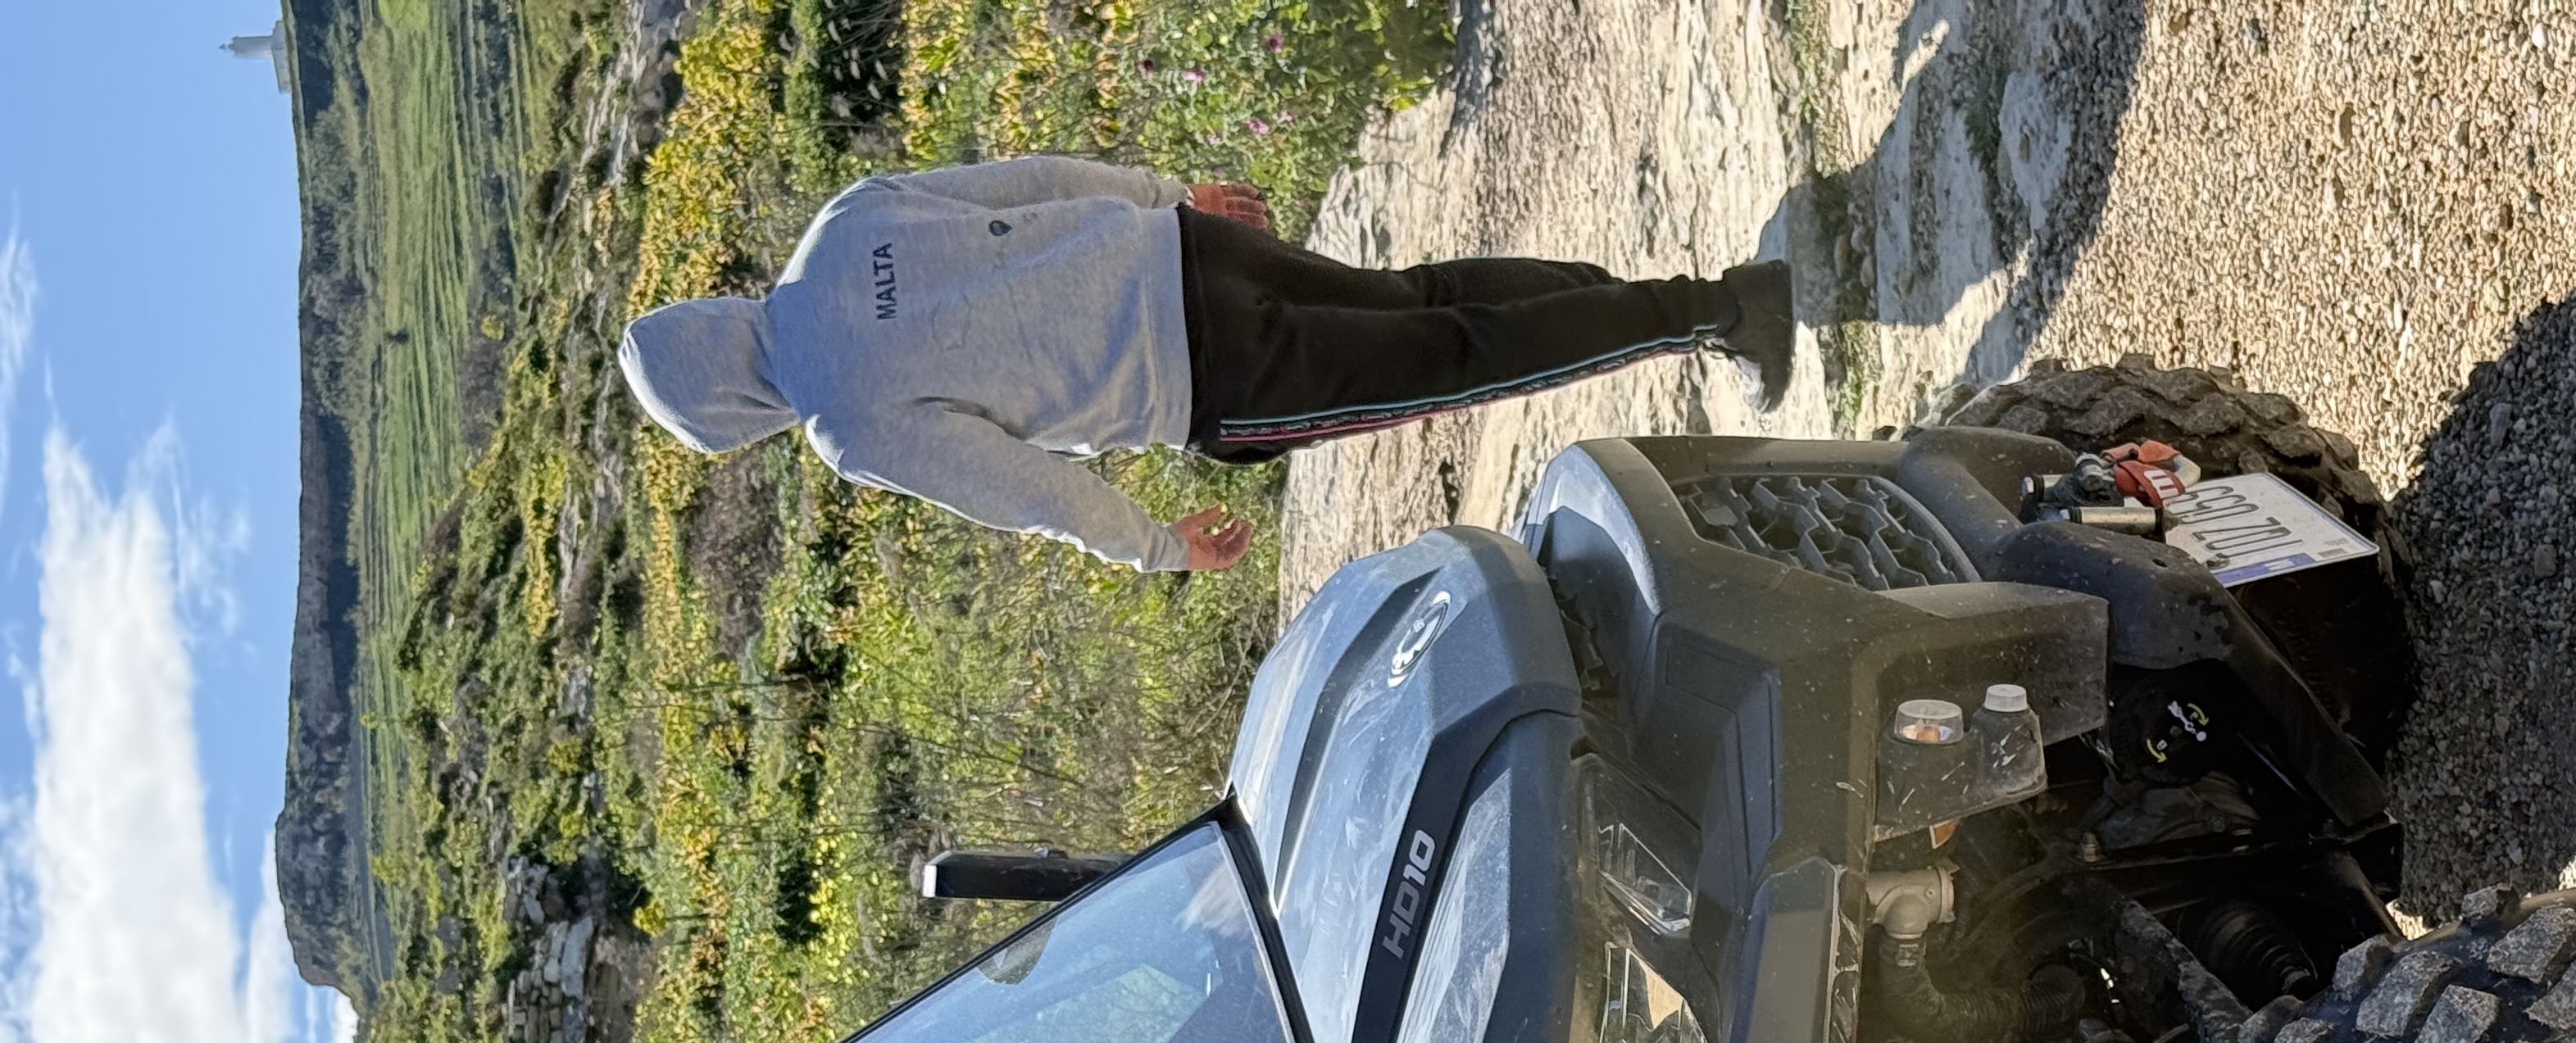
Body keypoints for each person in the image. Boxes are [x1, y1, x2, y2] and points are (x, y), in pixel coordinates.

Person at [616, 160, 1795, 573]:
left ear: (732, 412)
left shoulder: (845, 422)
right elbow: (1025, 180)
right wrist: (1165, 196)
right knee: (1419, 300)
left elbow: (1020, 491)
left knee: (1453, 363)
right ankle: (1660, 298)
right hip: (1182, 250)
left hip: (1210, 379)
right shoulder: (834, 230)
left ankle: (1716, 311)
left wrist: (1152, 546)